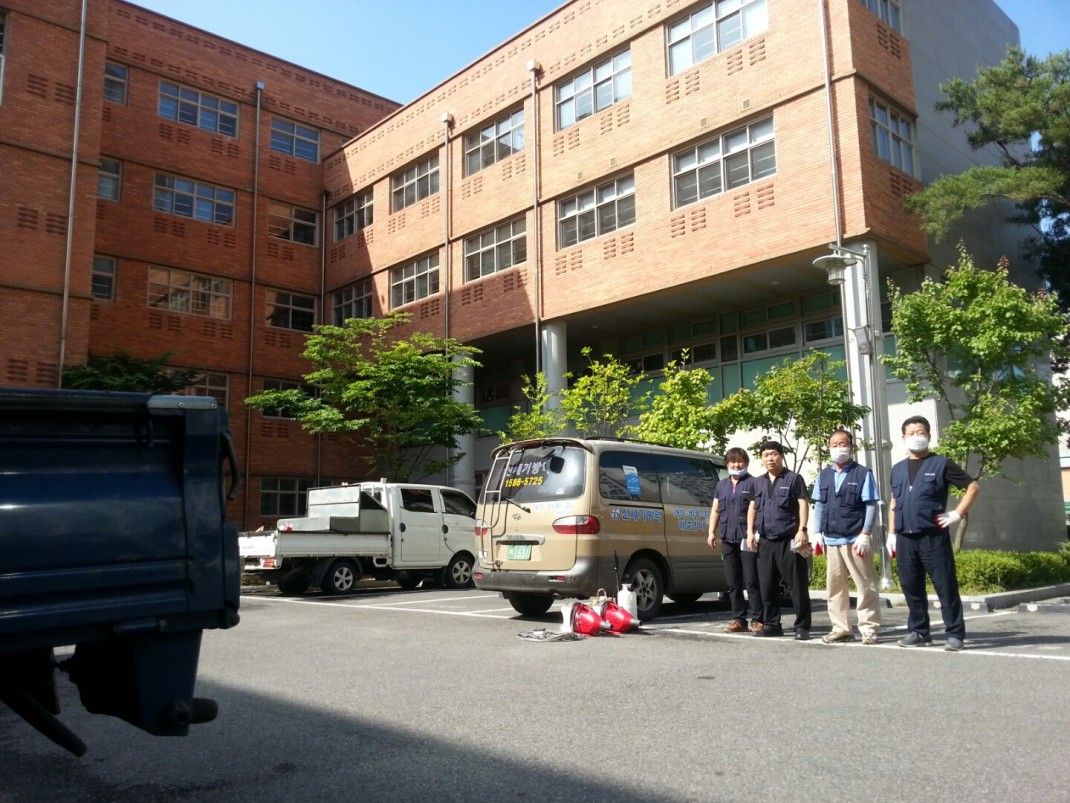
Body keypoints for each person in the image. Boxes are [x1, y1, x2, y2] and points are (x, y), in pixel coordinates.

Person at [888, 415, 980, 652]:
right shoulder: (897, 469)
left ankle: (955, 634)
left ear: (929, 436)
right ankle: (919, 631)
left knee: (945, 586)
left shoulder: (942, 463)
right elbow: (894, 502)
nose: (916, 437)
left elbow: (972, 487)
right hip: (905, 537)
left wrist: (957, 513)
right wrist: (891, 533)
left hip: (932, 536)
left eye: (921, 433)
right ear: (903, 437)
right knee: (911, 586)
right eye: (911, 433)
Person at [811, 429, 881, 645]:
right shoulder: (824, 474)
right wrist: (816, 532)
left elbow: (871, 505)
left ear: (851, 446)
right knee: (834, 587)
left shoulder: (862, 473)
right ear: (828, 447)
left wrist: (865, 534)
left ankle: (869, 629)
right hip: (831, 540)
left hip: (855, 538)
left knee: (865, 585)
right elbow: (820, 505)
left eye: (843, 444)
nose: (839, 448)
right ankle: (841, 628)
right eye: (834, 445)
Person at [747, 440, 811, 640]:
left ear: (781, 456)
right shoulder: (757, 482)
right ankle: (772, 624)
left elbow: (803, 504)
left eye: (774, 454)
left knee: (796, 585)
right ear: (761, 459)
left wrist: (802, 530)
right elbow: (752, 507)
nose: (770, 459)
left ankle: (802, 626)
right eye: (766, 455)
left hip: (789, 539)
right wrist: (750, 532)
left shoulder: (794, 478)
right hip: (765, 540)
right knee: (767, 585)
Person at [707, 447, 764, 633]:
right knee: (733, 582)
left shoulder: (754, 483)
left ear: (746, 463)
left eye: (740, 461)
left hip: (747, 538)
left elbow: (757, 510)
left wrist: (752, 532)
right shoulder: (721, 485)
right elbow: (716, 509)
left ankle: (758, 619)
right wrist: (711, 532)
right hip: (727, 537)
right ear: (727, 464)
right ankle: (739, 619)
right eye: (732, 461)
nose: (736, 465)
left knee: (752, 580)